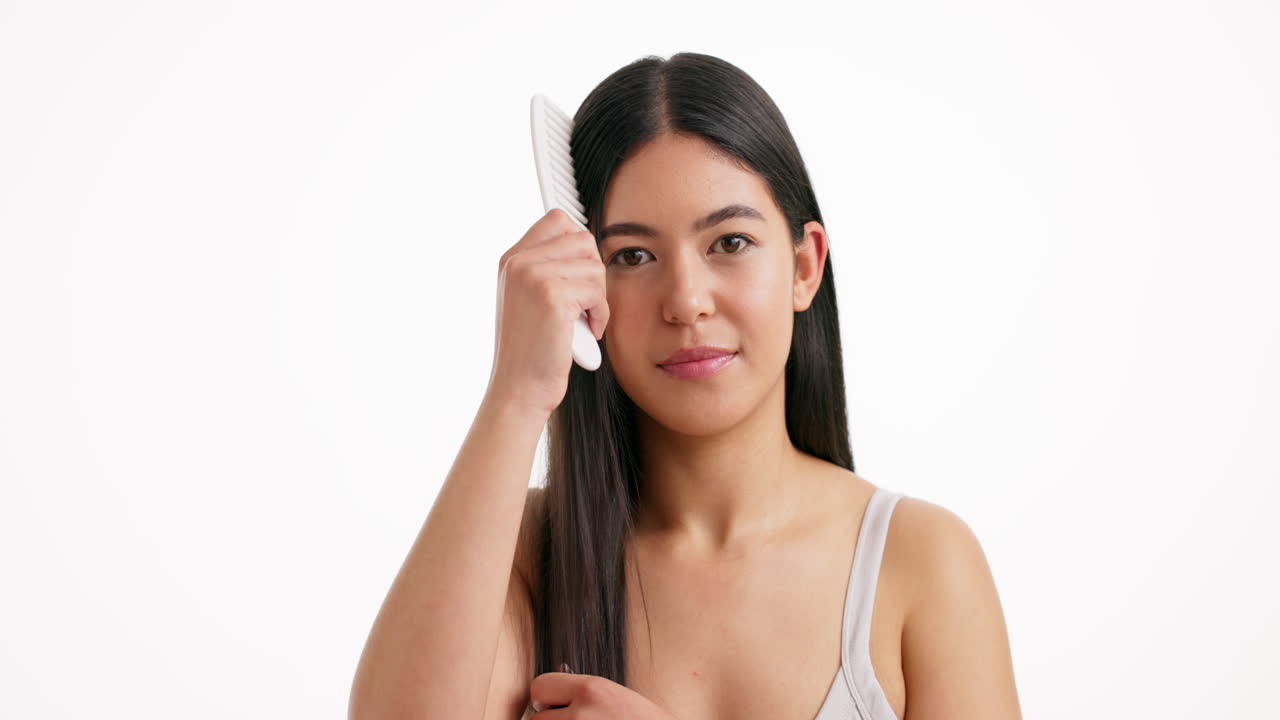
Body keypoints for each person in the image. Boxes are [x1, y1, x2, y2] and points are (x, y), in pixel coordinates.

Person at [349, 52, 1022, 720]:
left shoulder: (921, 564)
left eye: (729, 243)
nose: (686, 301)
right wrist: (516, 393)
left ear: (804, 266)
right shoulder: (524, 557)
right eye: (632, 257)